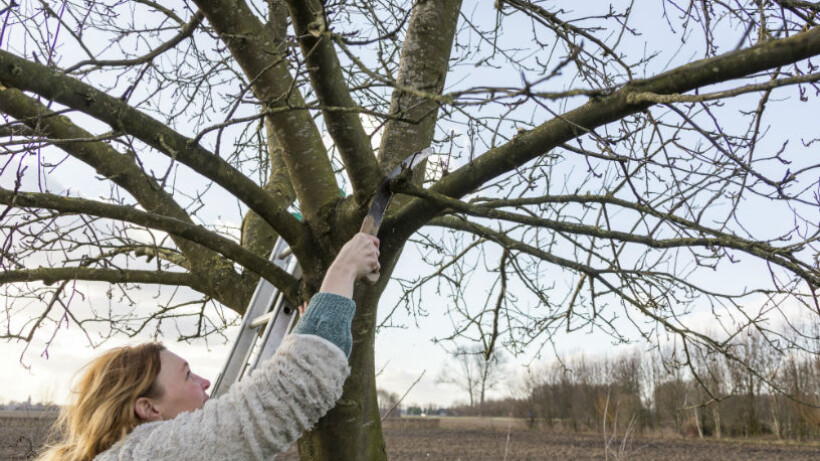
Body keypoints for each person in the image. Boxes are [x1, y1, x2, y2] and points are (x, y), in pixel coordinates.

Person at [36, 233, 381, 461]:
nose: (204, 382)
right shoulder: (153, 454)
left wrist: (301, 335)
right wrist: (344, 268)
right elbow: (290, 390)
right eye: (187, 376)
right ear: (148, 408)